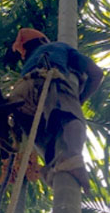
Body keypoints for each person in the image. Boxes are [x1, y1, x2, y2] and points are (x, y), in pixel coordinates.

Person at [7, 28, 103, 194]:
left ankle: (51, 167)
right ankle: (71, 158)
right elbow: (96, 73)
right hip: (48, 79)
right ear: (44, 41)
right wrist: (77, 100)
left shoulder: (30, 61)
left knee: (43, 138)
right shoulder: (59, 47)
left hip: (19, 95)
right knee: (70, 119)